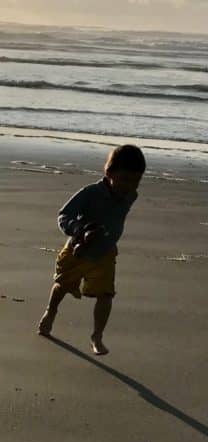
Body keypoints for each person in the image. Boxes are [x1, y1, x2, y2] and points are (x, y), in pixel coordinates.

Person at [37, 144, 146, 355]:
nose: (129, 186)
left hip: (105, 254)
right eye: (124, 179)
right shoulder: (91, 193)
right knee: (62, 285)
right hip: (78, 251)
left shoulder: (131, 195)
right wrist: (81, 228)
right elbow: (63, 215)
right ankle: (51, 312)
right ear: (109, 173)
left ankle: (97, 336)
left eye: (135, 181)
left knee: (106, 295)